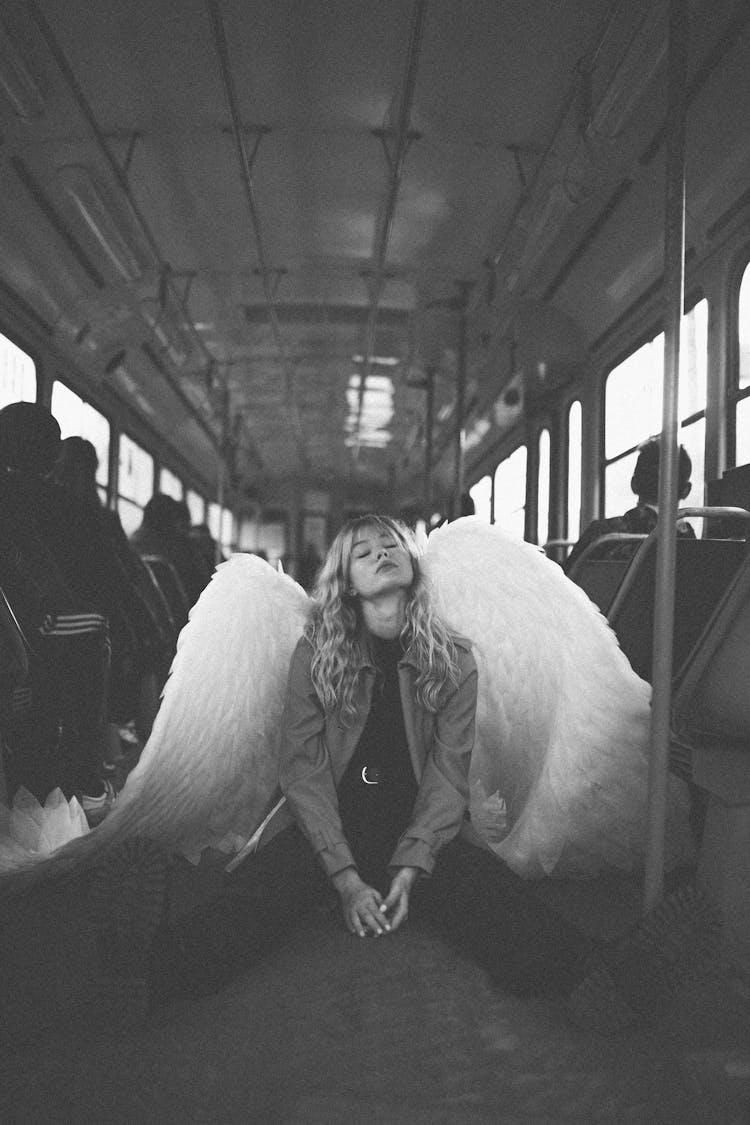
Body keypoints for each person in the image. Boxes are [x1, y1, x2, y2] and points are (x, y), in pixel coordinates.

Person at [96, 514, 716, 1032]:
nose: (383, 551)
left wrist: (413, 863)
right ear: (346, 582)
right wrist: (344, 879)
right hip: (326, 825)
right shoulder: (315, 654)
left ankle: (597, 981)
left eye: (391, 542)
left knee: (489, 897)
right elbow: (302, 771)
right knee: (258, 898)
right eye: (364, 551)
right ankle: (148, 970)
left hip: (421, 826)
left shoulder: (454, 658)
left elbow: (449, 774)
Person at [565, 439, 695, 573]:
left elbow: (565, 580)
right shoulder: (691, 543)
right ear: (686, 490)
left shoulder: (601, 535)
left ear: (634, 484)